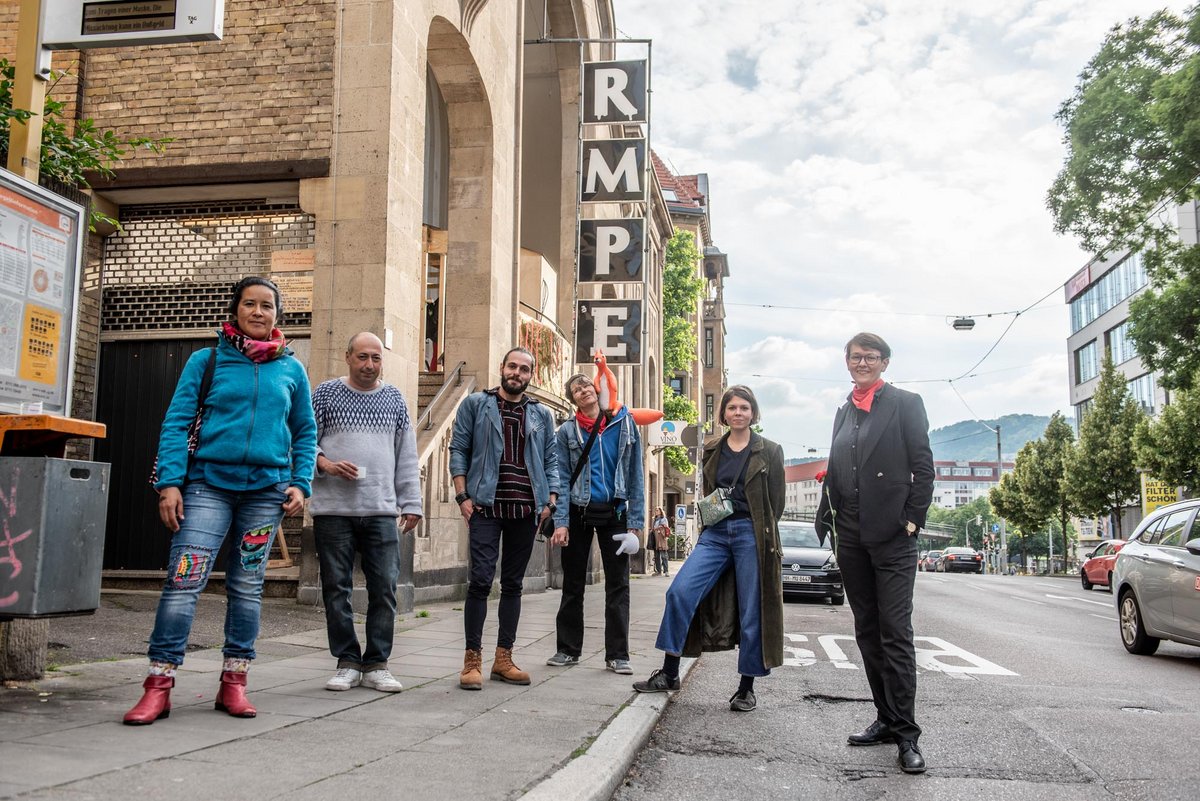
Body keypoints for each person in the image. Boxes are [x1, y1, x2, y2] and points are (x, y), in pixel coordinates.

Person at [124, 276, 317, 725]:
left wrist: (301, 482)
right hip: (207, 487)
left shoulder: (292, 369)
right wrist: (171, 483)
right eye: (249, 304)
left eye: (266, 306)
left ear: (277, 315)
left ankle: (234, 683)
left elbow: (305, 431)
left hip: (265, 495)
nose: (257, 312)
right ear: (235, 310)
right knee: (184, 581)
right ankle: (159, 684)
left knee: (247, 587)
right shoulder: (205, 360)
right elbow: (176, 422)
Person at [815, 332, 934, 774]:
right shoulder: (844, 411)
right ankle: (885, 718)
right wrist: (828, 519)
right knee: (866, 630)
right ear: (847, 362)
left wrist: (912, 521)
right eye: (855, 356)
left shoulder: (905, 403)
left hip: (893, 536)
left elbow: (923, 467)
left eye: (870, 357)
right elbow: (837, 470)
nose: (861, 362)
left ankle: (907, 734)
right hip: (850, 535)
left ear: (884, 362)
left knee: (895, 632)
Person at [632, 385, 785, 713]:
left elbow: (776, 503)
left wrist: (761, 532)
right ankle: (670, 673)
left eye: (744, 407)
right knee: (679, 593)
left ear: (753, 413)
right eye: (732, 408)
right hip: (715, 533)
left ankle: (746, 688)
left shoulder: (770, 450)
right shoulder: (713, 448)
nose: (738, 413)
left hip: (751, 534)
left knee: (751, 610)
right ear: (724, 414)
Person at [310, 332, 421, 694]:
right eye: (362, 357)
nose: (369, 364)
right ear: (347, 357)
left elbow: (406, 455)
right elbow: (301, 439)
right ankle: (346, 661)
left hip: (380, 509)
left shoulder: (393, 399)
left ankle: (376, 663)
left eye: (375, 358)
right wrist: (322, 463)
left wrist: (412, 502)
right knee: (336, 589)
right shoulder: (325, 394)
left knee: (385, 588)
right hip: (334, 510)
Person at [449, 347, 558, 690]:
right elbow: (459, 448)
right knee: (480, 581)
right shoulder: (476, 405)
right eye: (512, 366)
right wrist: (462, 496)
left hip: (525, 512)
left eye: (524, 369)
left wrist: (550, 500)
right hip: (484, 508)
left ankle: (503, 658)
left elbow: (552, 460)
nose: (517, 373)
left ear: (531, 375)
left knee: (513, 585)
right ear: (502, 368)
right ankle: (472, 661)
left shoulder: (542, 415)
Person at [545, 374, 643, 674]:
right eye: (576, 389)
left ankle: (618, 655)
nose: (583, 390)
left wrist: (635, 525)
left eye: (587, 385)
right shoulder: (566, 433)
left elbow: (635, 474)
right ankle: (567, 650)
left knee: (618, 585)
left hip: (615, 513)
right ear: (573, 398)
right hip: (577, 511)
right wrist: (561, 522)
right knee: (572, 584)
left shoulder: (624, 424)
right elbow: (560, 478)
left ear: (597, 389)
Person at [651, 506, 671, 576]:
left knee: (664, 555)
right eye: (655, 510)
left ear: (661, 511)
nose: (656, 511)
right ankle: (658, 571)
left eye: (658, 510)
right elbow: (653, 529)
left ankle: (666, 571)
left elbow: (665, 528)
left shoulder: (664, 519)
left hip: (662, 539)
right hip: (655, 539)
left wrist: (658, 528)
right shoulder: (654, 520)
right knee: (656, 556)